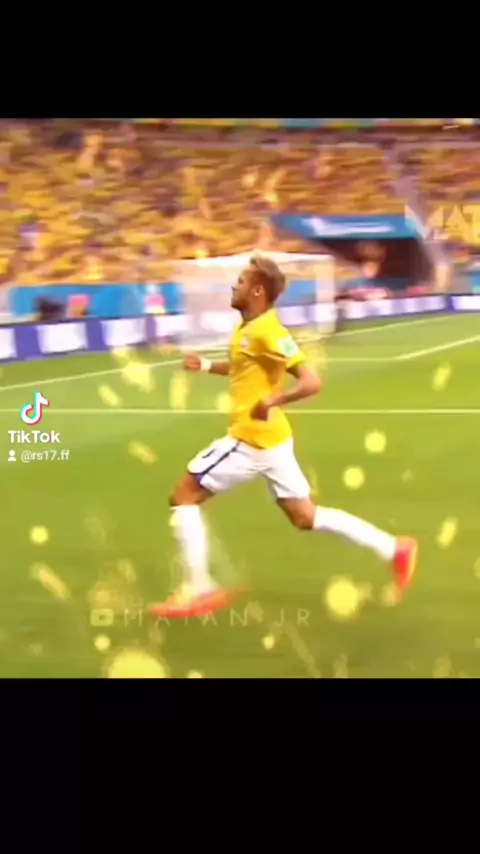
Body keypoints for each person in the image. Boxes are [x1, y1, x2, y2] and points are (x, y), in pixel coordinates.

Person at [151, 255, 417, 618]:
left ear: (257, 291)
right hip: (274, 441)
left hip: (250, 440)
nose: (234, 286)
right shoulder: (249, 328)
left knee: (183, 497)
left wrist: (273, 401)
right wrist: (208, 365)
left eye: (241, 282)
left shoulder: (268, 332)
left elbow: (311, 382)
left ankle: (199, 589)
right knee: (305, 517)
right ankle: (394, 549)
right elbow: (243, 369)